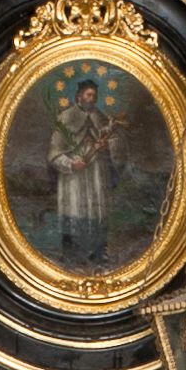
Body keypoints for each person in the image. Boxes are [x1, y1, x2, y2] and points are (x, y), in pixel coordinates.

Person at [46, 76, 118, 268]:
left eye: (94, 95)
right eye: (89, 95)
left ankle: (98, 254)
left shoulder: (101, 117)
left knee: (97, 211)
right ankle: (71, 255)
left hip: (96, 174)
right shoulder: (66, 117)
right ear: (79, 96)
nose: (92, 98)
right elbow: (53, 152)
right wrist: (70, 164)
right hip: (74, 177)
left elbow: (114, 146)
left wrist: (106, 146)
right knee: (73, 210)